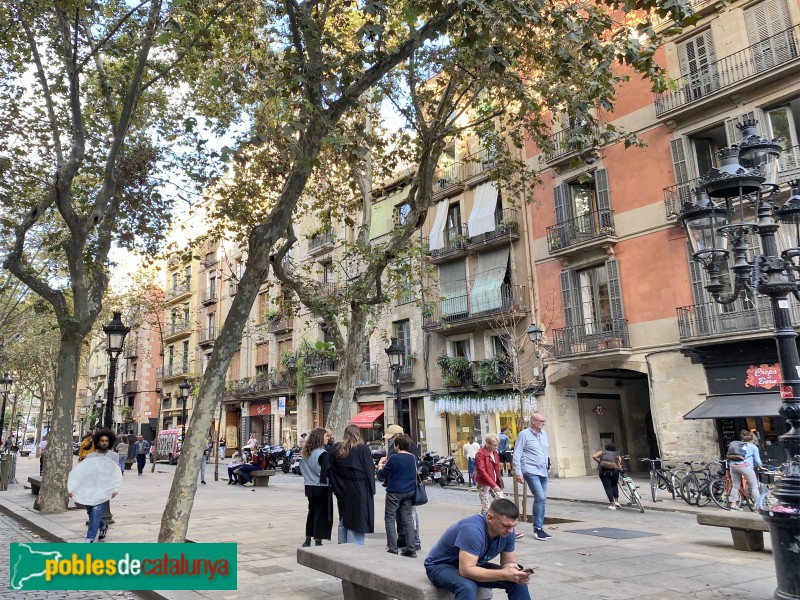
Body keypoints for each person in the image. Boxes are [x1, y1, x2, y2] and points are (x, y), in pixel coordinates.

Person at [424, 498, 532, 600]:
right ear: (490, 518)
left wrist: (513, 571)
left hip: (473, 564)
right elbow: (466, 571)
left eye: (513, 526)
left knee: (517, 581)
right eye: (506, 526)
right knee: (467, 587)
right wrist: (503, 574)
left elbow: (508, 562)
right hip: (440, 566)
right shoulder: (472, 530)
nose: (510, 530)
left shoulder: (508, 532)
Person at [327, 424, 376, 545]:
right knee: (357, 519)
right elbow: (369, 471)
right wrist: (371, 490)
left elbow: (330, 469)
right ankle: (355, 549)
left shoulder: (337, 449)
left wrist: (337, 488)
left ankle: (342, 545)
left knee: (344, 518)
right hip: (359, 488)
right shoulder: (362, 449)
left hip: (343, 488)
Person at [70, 429, 121, 543]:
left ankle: (89, 539)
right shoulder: (90, 456)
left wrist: (115, 489)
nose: (104, 443)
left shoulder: (114, 456)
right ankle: (103, 526)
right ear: (97, 442)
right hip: (89, 488)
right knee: (91, 512)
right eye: (102, 441)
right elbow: (83, 474)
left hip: (104, 490)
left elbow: (116, 474)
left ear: (109, 442)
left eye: (106, 441)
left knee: (97, 511)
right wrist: (74, 488)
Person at [377, 433, 419, 558]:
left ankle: (393, 547)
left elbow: (381, 476)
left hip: (395, 492)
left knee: (390, 517)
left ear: (397, 445)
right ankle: (411, 548)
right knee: (407, 519)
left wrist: (380, 466)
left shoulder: (394, 458)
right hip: (409, 492)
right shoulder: (412, 458)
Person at [476, 434, 524, 539]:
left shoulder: (495, 452)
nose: (496, 447)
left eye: (497, 445)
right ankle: (481, 529)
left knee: (503, 504)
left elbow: (496, 469)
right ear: (487, 444)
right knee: (485, 508)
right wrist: (493, 485)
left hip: (493, 481)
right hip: (484, 483)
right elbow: (482, 471)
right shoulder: (480, 454)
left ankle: (509, 531)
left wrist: (497, 481)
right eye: (494, 445)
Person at [513, 413, 551, 541]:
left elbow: (545, 452)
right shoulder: (524, 434)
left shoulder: (544, 435)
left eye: (544, 421)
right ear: (533, 422)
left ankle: (540, 527)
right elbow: (517, 453)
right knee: (540, 497)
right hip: (530, 470)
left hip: (544, 470)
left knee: (543, 499)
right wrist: (518, 472)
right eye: (540, 421)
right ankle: (537, 528)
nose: (543, 423)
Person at [385, 423, 421, 551]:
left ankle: (405, 543)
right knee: (404, 515)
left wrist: (382, 466)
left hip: (397, 488)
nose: (391, 440)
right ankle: (407, 542)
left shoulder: (402, 452)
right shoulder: (410, 455)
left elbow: (385, 472)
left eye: (392, 438)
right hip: (408, 488)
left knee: (405, 515)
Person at [300, 428, 333, 547]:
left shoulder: (307, 452)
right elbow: (328, 470)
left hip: (309, 486)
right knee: (321, 514)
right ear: (319, 438)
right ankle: (318, 540)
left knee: (312, 512)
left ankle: (308, 538)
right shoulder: (322, 454)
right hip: (321, 486)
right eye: (325, 436)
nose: (327, 438)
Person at [727, 429, 762, 510]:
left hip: (733, 466)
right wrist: (760, 466)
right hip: (745, 466)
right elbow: (757, 460)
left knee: (735, 486)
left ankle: (733, 505)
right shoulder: (753, 446)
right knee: (754, 486)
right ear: (752, 439)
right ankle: (760, 507)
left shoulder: (738, 445)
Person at [592, 443, 622, 510]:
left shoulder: (602, 452)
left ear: (606, 448)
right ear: (614, 448)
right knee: (614, 485)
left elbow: (594, 456)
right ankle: (616, 502)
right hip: (614, 472)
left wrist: (599, 462)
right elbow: (619, 464)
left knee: (607, 487)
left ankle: (612, 505)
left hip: (604, 472)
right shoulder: (617, 454)